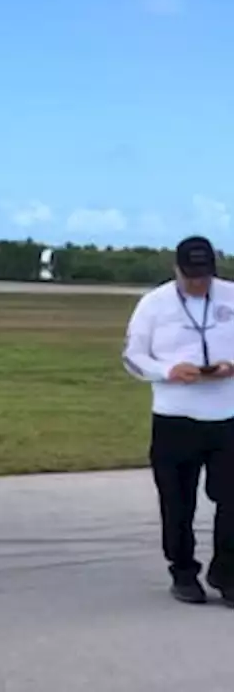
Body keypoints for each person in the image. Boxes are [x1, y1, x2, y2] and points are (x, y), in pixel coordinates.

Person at [122, 235, 235, 607]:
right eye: (190, 276)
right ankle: (183, 572)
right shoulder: (154, 305)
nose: (197, 283)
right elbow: (133, 357)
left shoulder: (231, 297)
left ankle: (228, 573)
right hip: (175, 418)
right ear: (176, 270)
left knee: (232, 501)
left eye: (203, 276)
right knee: (177, 502)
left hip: (227, 416)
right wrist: (168, 370)